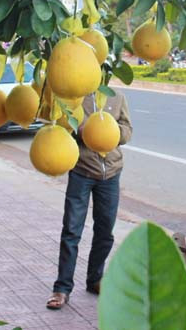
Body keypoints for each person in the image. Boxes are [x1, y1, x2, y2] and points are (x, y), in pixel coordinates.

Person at [46, 91, 132, 310]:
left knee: (105, 231)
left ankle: (95, 279)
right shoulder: (74, 97)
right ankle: (62, 288)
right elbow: (62, 128)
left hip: (111, 173)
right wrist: (84, 131)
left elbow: (127, 129)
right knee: (72, 230)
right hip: (81, 171)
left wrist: (111, 132)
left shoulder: (117, 97)